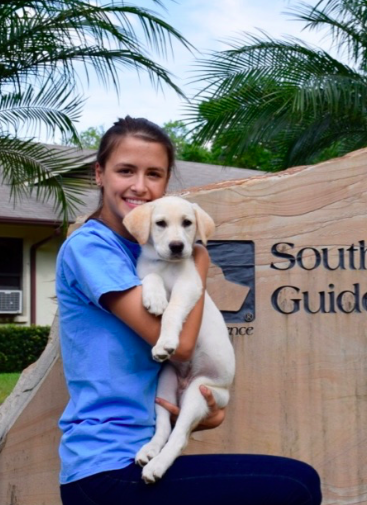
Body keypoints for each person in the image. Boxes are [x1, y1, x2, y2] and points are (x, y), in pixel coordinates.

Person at [56, 116, 322, 505]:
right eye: (125, 170)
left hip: (143, 450)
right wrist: (198, 261)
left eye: (154, 174)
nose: (140, 186)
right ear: (99, 173)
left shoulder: (148, 247)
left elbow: (177, 366)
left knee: (299, 482)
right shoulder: (92, 248)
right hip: (105, 467)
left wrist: (198, 413)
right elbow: (178, 346)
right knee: (294, 487)